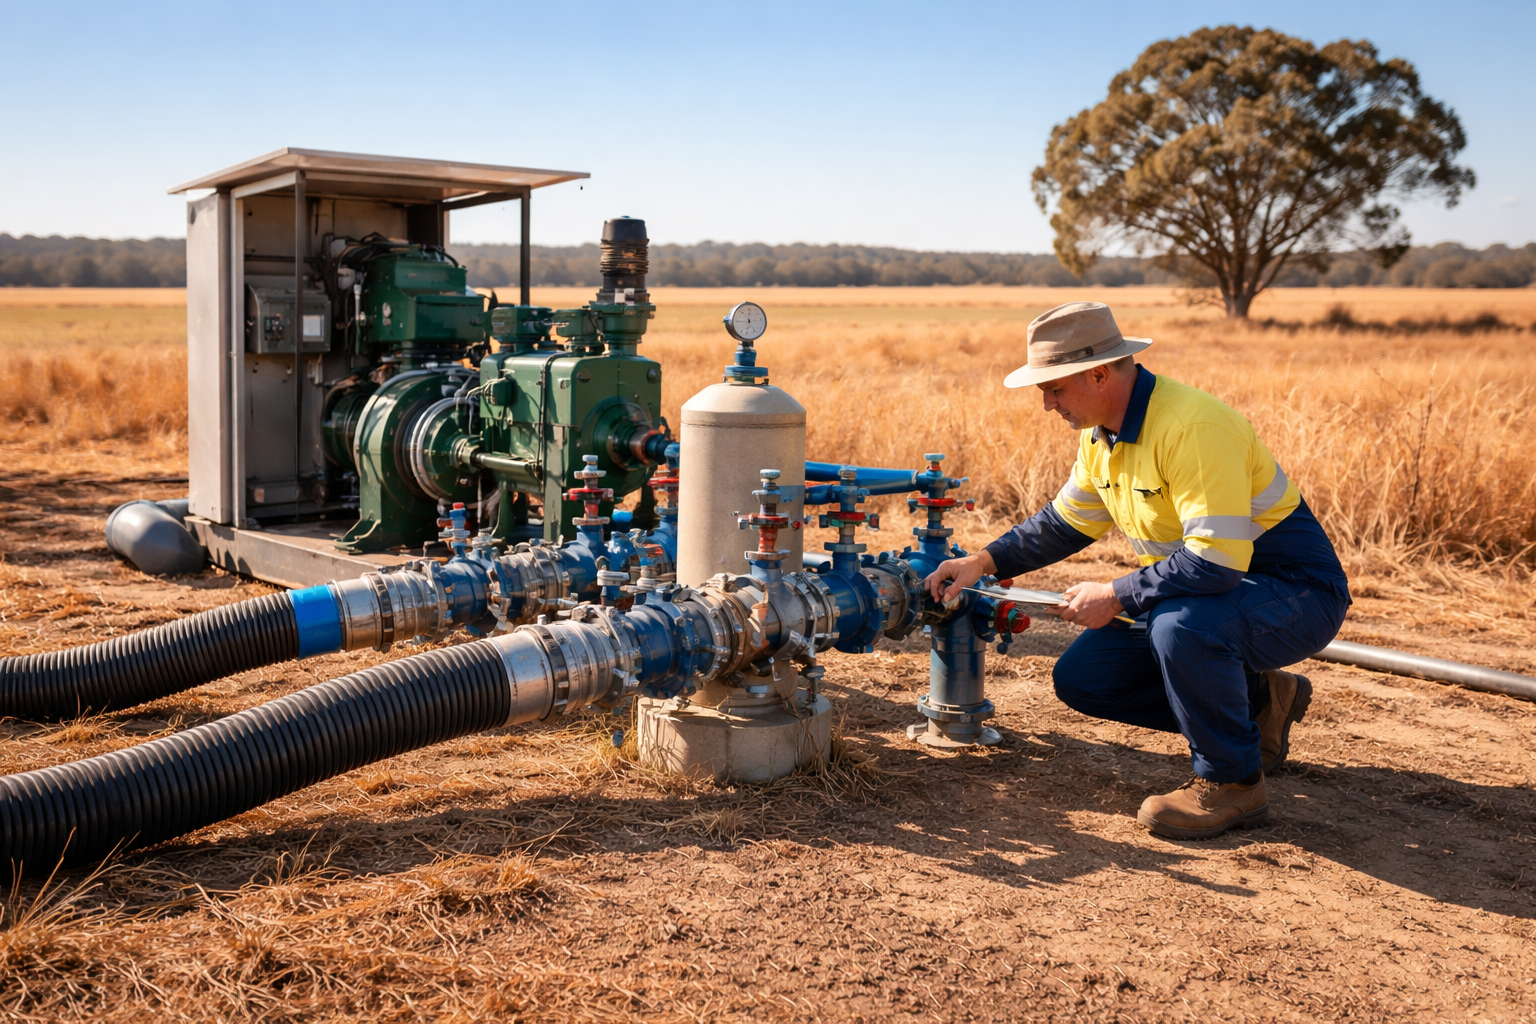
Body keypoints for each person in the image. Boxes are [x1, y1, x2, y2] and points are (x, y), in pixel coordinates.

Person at [925, 301, 1350, 839]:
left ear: (1099, 374)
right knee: (1086, 679)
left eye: (1053, 389)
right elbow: (1063, 523)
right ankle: (1262, 703)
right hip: (1205, 594)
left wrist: (1117, 594)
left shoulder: (1191, 427)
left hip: (1293, 595)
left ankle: (1234, 784)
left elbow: (1216, 560)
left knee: (1185, 629)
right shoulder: (1101, 434)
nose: (1047, 404)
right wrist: (981, 562)